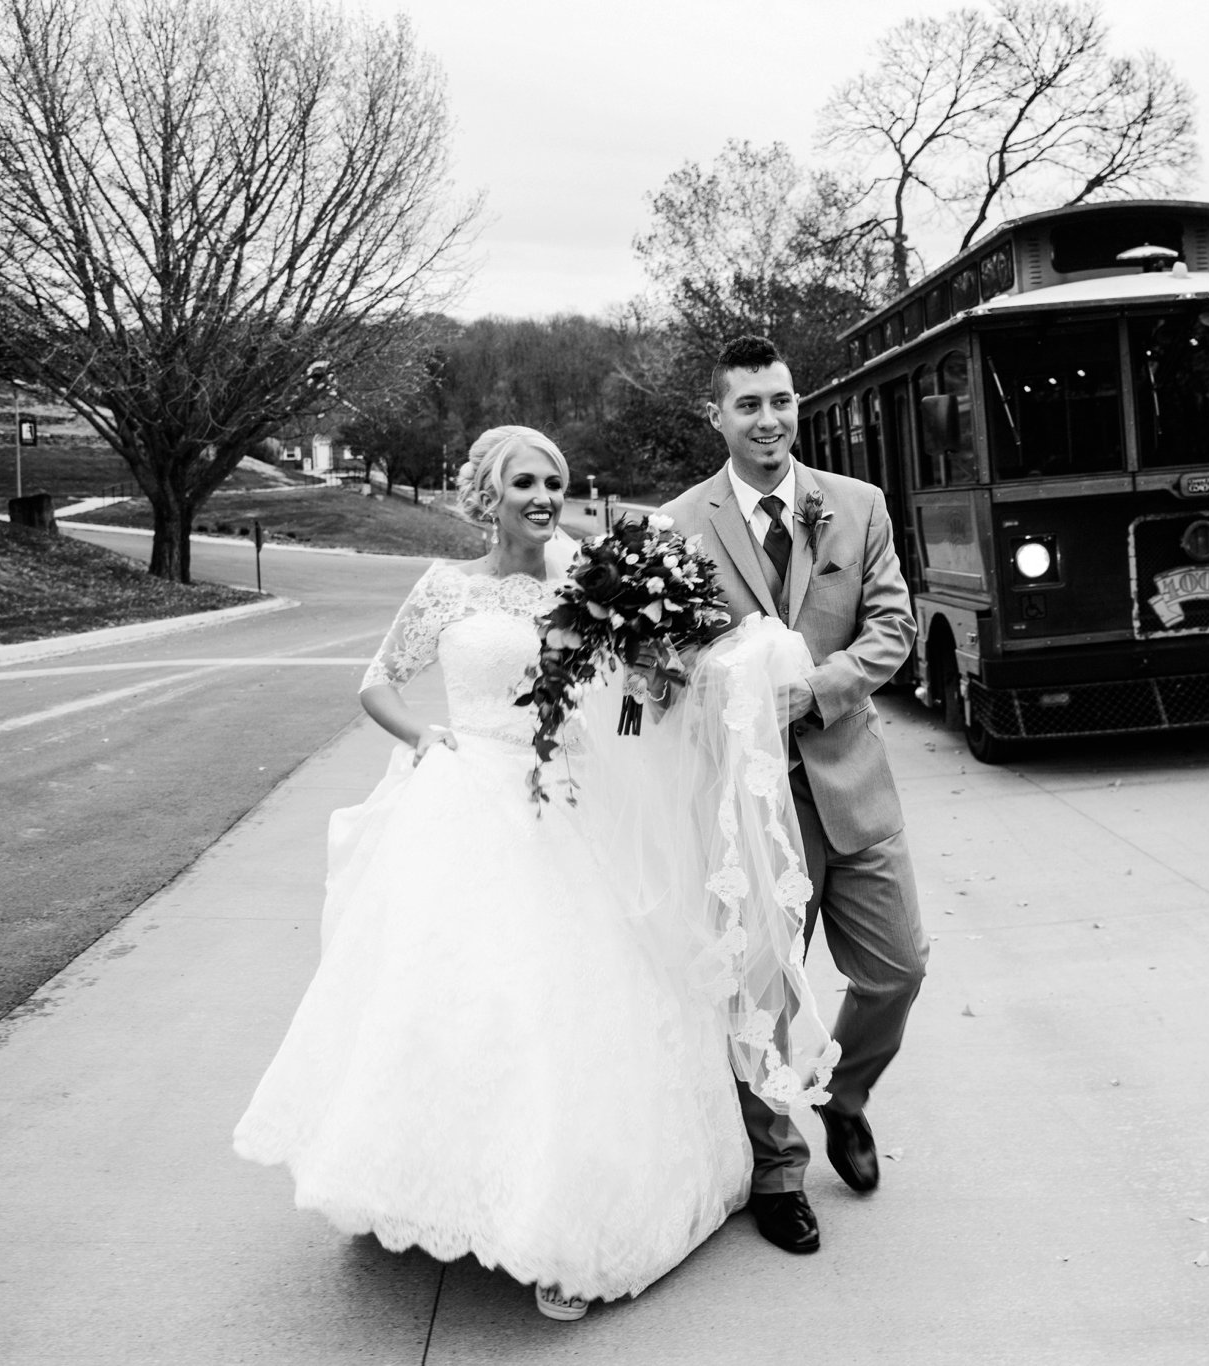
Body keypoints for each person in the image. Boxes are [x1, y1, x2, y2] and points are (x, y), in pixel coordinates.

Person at [233, 426, 829, 1322]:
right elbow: (377, 681)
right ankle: (425, 1183)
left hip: (569, 809)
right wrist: (423, 735)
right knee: (449, 1004)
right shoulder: (445, 588)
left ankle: (567, 1224)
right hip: (466, 802)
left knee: (569, 1008)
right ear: (488, 493)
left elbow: (653, 680)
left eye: (554, 480)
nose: (543, 496)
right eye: (524, 482)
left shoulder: (592, 582)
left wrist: (737, 658)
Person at [657, 335, 929, 1257]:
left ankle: (844, 1098)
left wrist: (815, 686)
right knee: (762, 995)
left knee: (899, 966)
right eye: (748, 406)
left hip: (852, 780)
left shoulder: (855, 506)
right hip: (747, 801)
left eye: (781, 401)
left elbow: (893, 628)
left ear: (796, 402)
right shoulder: (676, 528)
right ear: (717, 416)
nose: (769, 420)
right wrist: (720, 689)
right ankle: (776, 1174)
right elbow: (660, 667)